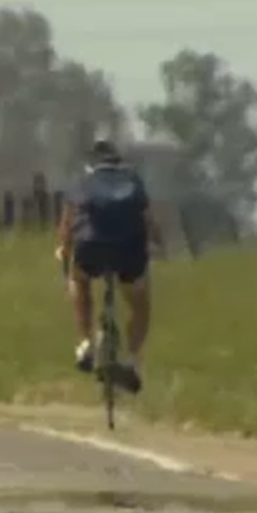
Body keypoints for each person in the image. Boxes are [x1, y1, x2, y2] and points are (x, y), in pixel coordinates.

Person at [54, 138, 163, 394]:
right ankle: (133, 362)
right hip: (129, 253)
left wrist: (64, 251)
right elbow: (148, 222)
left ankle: (85, 344)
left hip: (92, 249)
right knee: (140, 304)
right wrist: (156, 246)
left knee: (79, 281)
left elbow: (67, 224)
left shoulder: (82, 182)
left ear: (91, 163)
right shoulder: (133, 180)